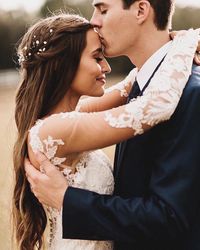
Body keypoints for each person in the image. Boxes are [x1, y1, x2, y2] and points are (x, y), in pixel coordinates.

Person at [22, 4, 200, 250]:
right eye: (96, 57)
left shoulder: (77, 114)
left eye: (103, 9)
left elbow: (134, 80)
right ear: (65, 64)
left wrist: (176, 47)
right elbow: (154, 106)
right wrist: (187, 41)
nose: (106, 66)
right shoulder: (52, 130)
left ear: (141, 10)